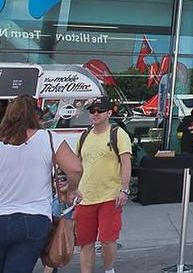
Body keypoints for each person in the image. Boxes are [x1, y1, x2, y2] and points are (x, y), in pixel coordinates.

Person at [0, 95, 83, 273]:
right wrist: (72, 190)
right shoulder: (49, 139)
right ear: (35, 115)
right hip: (33, 218)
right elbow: (75, 168)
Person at [76, 96, 133, 273]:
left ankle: (109, 270)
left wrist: (124, 189)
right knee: (85, 242)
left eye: (99, 111)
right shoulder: (84, 136)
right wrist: (72, 188)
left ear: (109, 113)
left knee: (108, 240)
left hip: (110, 196)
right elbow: (77, 164)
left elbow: (126, 163)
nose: (95, 114)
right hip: (85, 196)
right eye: (92, 111)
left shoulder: (117, 134)